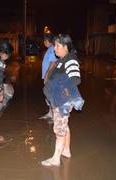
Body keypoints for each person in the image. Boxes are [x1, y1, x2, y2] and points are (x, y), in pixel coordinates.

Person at [41, 34, 84, 166]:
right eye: (55, 46)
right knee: (64, 125)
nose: (55, 49)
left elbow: (76, 78)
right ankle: (66, 151)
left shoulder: (70, 59)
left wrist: (63, 88)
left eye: (58, 46)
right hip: (58, 98)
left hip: (62, 100)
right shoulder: (62, 59)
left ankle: (55, 158)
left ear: (66, 47)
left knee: (59, 128)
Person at [39, 33, 57, 120]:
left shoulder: (52, 49)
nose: (43, 42)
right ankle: (50, 113)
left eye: (44, 41)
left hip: (50, 76)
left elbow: (53, 63)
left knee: (51, 95)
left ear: (46, 41)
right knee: (48, 95)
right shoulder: (50, 49)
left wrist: (46, 75)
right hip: (49, 76)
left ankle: (54, 115)